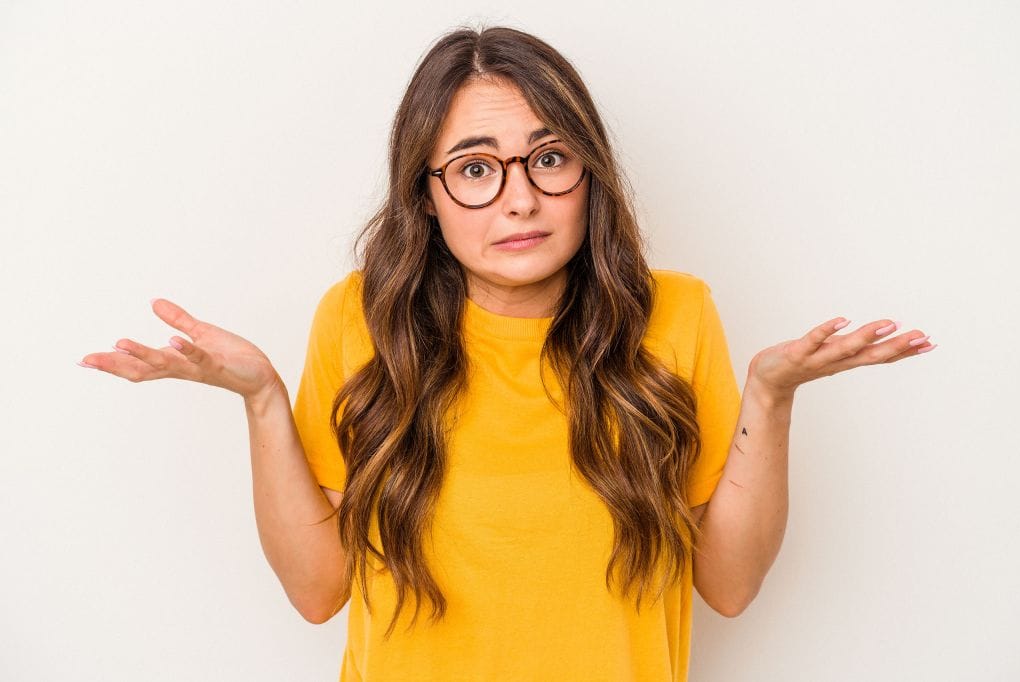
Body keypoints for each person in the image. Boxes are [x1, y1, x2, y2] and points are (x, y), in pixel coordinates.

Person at [77, 24, 937, 682]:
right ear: (428, 195)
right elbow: (317, 593)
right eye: (476, 168)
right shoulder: (359, 319)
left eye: (549, 159)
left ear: (589, 174)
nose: (519, 199)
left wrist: (771, 399)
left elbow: (730, 585)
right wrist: (262, 399)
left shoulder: (675, 313)